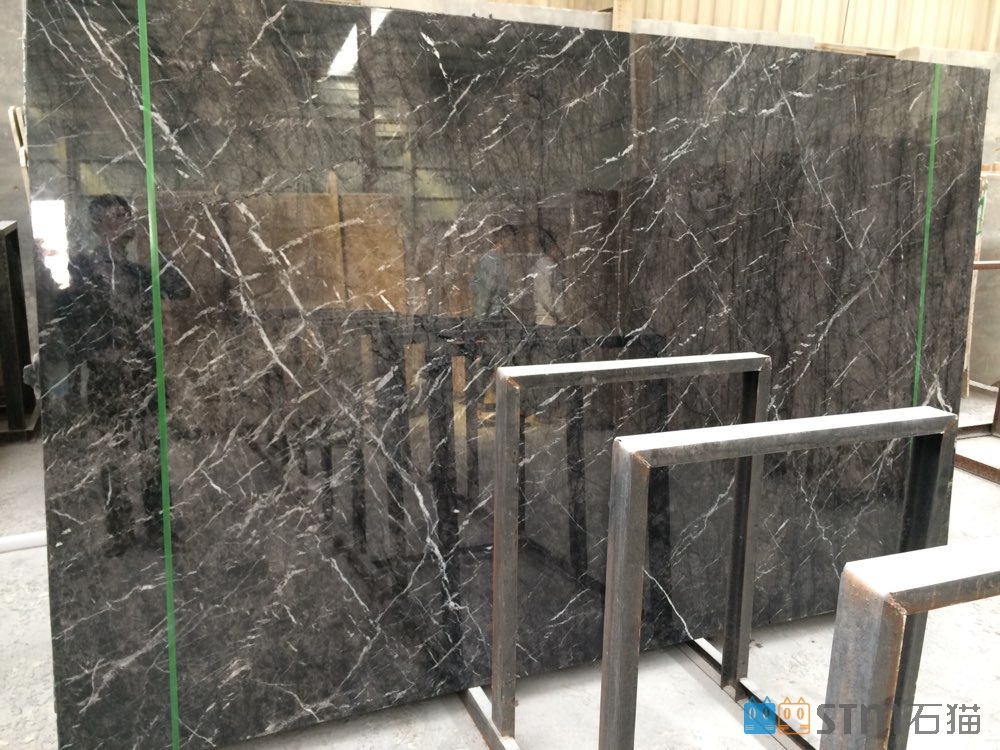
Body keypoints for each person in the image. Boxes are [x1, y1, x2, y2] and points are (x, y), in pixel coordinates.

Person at [59, 194, 190, 556]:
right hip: (106, 374)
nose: (128, 221)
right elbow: (75, 328)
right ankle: (120, 532)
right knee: (113, 458)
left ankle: (159, 527)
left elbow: (181, 289)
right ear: (98, 224)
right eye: (119, 216)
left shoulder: (139, 270)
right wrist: (74, 381)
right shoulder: (82, 267)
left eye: (129, 215)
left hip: (144, 372)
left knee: (152, 454)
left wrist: (156, 248)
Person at [471, 224, 516, 319]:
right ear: (502, 239)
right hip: (491, 314)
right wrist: (480, 317)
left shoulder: (501, 258)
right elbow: (487, 290)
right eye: (510, 240)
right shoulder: (490, 259)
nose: (512, 244)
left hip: (498, 312)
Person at [533, 228, 566, 326]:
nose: (562, 248)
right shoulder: (545, 266)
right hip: (547, 322)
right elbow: (545, 297)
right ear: (554, 247)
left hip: (553, 320)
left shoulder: (552, 265)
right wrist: (559, 314)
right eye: (560, 244)